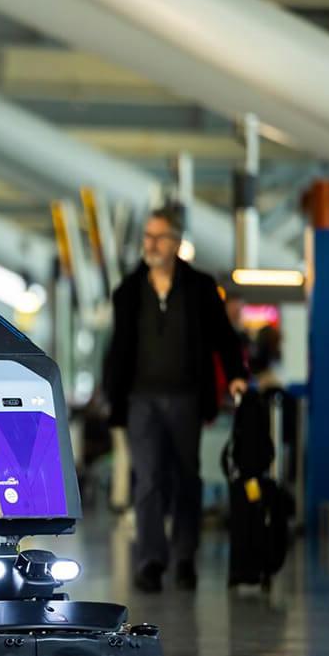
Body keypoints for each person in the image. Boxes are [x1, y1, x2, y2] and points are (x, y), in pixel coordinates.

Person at [105, 206, 248, 593]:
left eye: (158, 237)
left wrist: (236, 375)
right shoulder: (129, 291)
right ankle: (151, 560)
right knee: (148, 479)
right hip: (141, 400)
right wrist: (112, 397)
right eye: (147, 237)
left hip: (186, 397)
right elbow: (117, 349)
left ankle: (185, 557)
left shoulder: (200, 289)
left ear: (177, 243)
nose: (150, 244)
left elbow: (224, 336)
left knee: (187, 477)